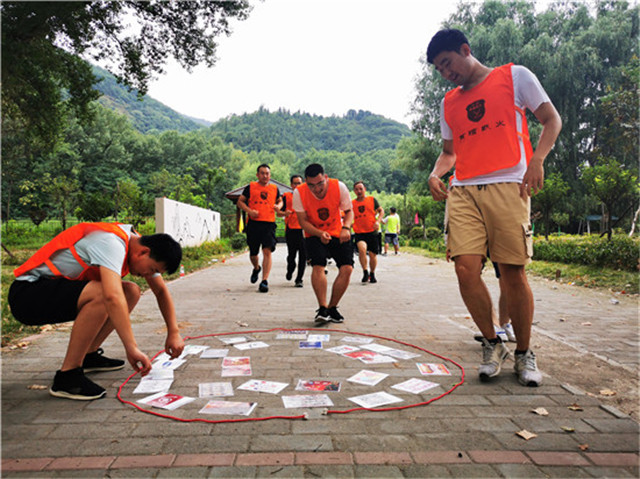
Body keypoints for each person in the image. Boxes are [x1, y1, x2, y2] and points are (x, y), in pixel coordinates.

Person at [426, 29, 562, 386]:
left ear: (465, 50)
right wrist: (436, 173)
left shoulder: (514, 76)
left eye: (447, 63)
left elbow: (552, 119)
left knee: (512, 272)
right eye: (439, 69)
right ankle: (492, 342)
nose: (446, 73)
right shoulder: (448, 102)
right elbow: (449, 151)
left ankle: (524, 353)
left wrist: (538, 160)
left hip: (509, 184)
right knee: (465, 269)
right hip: (465, 190)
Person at [8, 222, 185, 401]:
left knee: (131, 291)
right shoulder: (112, 243)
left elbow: (161, 291)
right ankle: (68, 377)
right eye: (152, 270)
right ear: (143, 252)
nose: (149, 275)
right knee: (104, 294)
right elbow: (112, 297)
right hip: (27, 295)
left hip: (53, 291)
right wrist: (131, 348)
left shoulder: (136, 243)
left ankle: (88, 356)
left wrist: (174, 332)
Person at [293, 163, 354, 324]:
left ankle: (332, 308)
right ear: (306, 182)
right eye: (312, 185)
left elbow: (349, 212)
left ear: (325, 178)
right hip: (313, 233)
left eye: (320, 184)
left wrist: (346, 228)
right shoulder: (299, 193)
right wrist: (319, 233)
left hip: (338, 231)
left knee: (347, 268)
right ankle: (322, 307)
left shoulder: (339, 187)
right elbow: (302, 221)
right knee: (318, 266)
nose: (317, 189)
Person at [237, 164, 283, 293]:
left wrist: (278, 206)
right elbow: (240, 202)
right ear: (257, 175)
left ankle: (264, 281)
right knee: (253, 253)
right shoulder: (250, 187)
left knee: (267, 251)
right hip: (254, 224)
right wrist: (249, 211)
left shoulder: (274, 188)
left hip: (269, 223)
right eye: (262, 173)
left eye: (267, 173)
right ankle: (256, 268)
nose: (265, 176)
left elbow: (280, 201)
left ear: (270, 175)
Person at [352, 181, 384, 283]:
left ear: (365, 189)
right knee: (362, 250)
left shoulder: (372, 200)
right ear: (354, 191)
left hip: (372, 231)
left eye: (361, 189)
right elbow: (346, 214)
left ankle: (372, 273)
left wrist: (378, 221)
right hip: (359, 233)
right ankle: (365, 271)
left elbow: (381, 211)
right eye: (356, 189)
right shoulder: (352, 203)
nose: (359, 191)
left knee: (372, 254)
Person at [279, 174, 307, 287]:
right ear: (291, 185)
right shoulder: (286, 197)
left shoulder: (307, 197)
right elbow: (278, 212)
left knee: (303, 256)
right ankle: (290, 268)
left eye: (299, 183)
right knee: (292, 255)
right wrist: (284, 213)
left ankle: (299, 279)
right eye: (295, 183)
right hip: (291, 230)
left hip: (304, 230)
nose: (297, 185)